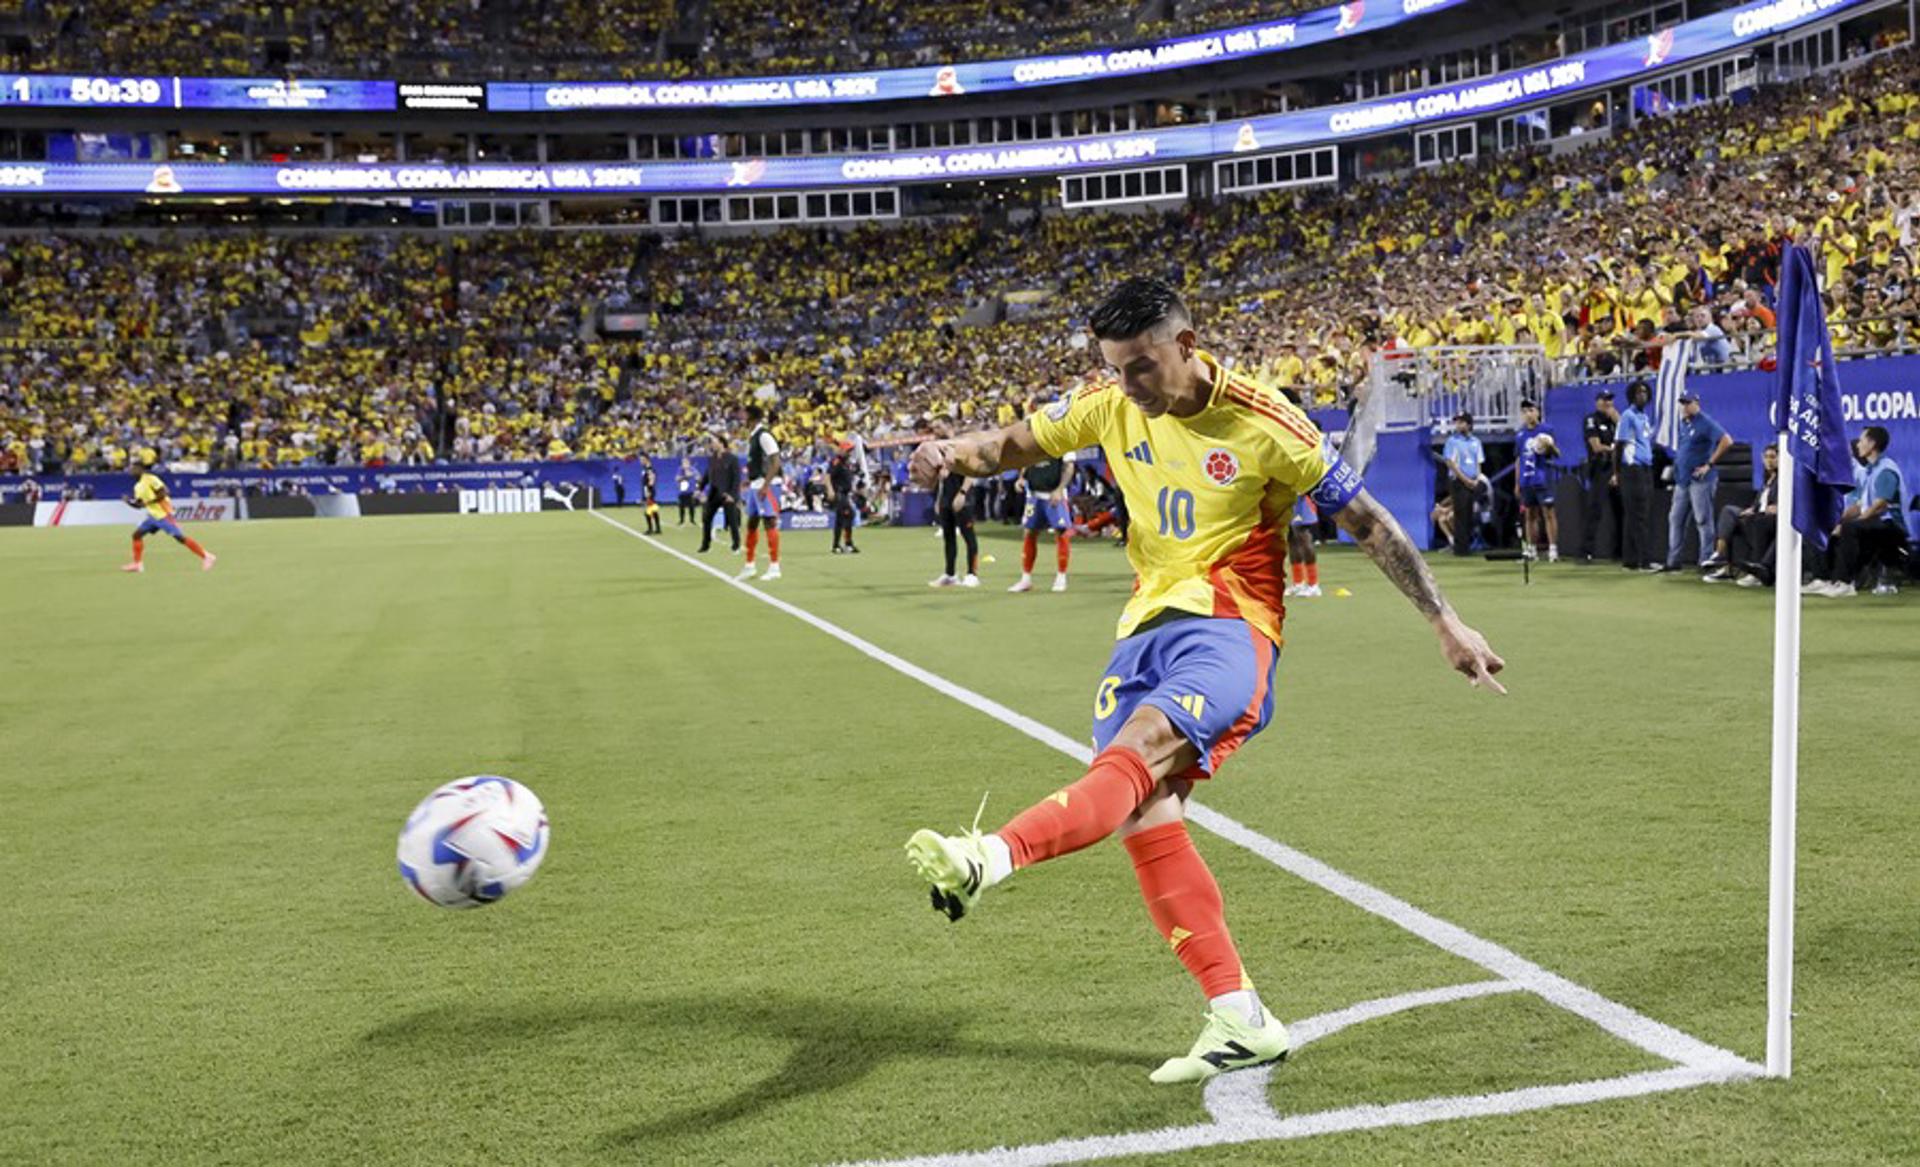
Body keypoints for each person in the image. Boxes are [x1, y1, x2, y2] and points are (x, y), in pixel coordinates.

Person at [901, 278, 1504, 1085]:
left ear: (1186, 345)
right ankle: (1238, 1015)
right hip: (1141, 631)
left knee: (1141, 751)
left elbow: (1364, 519)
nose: (1127, 385)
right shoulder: (1108, 406)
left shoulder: (1264, 420)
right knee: (1142, 810)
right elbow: (1011, 445)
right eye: (1115, 368)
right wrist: (951, 450)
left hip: (1229, 627)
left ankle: (989, 857)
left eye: (1141, 366)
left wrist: (1445, 620)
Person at [1807, 426, 1908, 598]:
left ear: (1872, 444)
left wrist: (1855, 522)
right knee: (1829, 526)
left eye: (1862, 441)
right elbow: (1860, 504)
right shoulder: (1871, 470)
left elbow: (1880, 505)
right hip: (1877, 522)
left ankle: (1844, 583)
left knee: (1850, 528)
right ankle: (1824, 579)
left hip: (1891, 525)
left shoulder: (1886, 470)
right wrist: (1836, 521)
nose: (1858, 445)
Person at [1665, 390, 1734, 572]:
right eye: (1682, 403)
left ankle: (1705, 561)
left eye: (1688, 403)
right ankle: (1673, 561)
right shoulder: (1684, 423)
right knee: (1675, 519)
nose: (1685, 407)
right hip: (1683, 480)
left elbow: (1726, 440)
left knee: (1703, 520)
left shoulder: (1705, 422)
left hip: (1701, 480)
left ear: (1697, 403)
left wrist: (1709, 464)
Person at [1704, 444, 1779, 585]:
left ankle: (1756, 572)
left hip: (1769, 520)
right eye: (1766, 457)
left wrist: (1778, 508)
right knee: (1729, 512)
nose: (1769, 461)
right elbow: (1760, 502)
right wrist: (1753, 509)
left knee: (1757, 521)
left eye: (1773, 457)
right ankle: (1721, 557)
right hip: (1757, 515)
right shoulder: (1767, 479)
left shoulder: (1783, 480)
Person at [120, 464, 215, 573]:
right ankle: (137, 564)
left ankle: (207, 556)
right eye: (131, 469)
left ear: (141, 469)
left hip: (164, 514)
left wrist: (148, 502)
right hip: (153, 516)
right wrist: (129, 502)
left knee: (180, 537)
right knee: (137, 535)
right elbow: (140, 505)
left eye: (134, 469)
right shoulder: (137, 486)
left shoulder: (150, 479)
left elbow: (164, 492)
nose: (131, 471)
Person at [1009, 454, 1071, 593]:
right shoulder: (1034, 443)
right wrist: (1022, 478)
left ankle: (1061, 577)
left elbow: (1069, 466)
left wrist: (1059, 489)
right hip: (1034, 494)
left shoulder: (1062, 443)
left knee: (1061, 531)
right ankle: (1026, 579)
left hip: (1054, 494)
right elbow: (1027, 459)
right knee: (1029, 532)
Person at [1613, 379, 1657, 571]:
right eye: (1639, 392)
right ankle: (1644, 560)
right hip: (1632, 469)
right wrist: (1617, 472)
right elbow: (1619, 445)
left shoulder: (1644, 417)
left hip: (1646, 468)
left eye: (1645, 392)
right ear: (1632, 395)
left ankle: (1630, 560)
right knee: (1639, 515)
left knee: (1636, 515)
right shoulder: (1627, 416)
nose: (1642, 396)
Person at [739, 404, 783, 581]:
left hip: (767, 485)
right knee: (752, 522)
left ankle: (774, 566)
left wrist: (766, 485)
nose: (742, 418)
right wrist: (750, 480)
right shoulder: (753, 436)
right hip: (755, 484)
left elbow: (776, 462)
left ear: (752, 417)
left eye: (744, 415)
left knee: (769, 522)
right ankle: (749, 565)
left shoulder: (764, 435)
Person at [1514, 399, 1560, 562]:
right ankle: (1532, 550)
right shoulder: (1520, 435)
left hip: (1543, 478)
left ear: (1538, 412)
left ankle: (1553, 550)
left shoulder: (1547, 430)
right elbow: (1518, 459)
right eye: (1524, 411)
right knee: (1530, 515)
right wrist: (1517, 482)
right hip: (1527, 479)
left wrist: (1548, 446)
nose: (1528, 414)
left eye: (1531, 410)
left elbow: (1557, 454)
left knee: (1548, 513)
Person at [1581, 388, 1620, 563]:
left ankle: (1619, 551)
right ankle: (1587, 551)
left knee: (1620, 510)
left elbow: (1628, 438)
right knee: (1595, 509)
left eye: (1610, 400)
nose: (1607, 403)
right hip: (1600, 467)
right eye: (1604, 400)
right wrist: (1614, 449)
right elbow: (1596, 446)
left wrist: (1618, 420)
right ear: (1597, 402)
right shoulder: (1592, 420)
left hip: (1616, 468)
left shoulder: (1615, 421)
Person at [1442, 412, 1487, 555]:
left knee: (1469, 514)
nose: (1458, 425)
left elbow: (1478, 463)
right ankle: (1460, 549)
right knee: (1460, 514)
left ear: (1469, 424)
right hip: (1458, 481)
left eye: (1461, 422)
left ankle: (1467, 545)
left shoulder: (1476, 441)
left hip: (1472, 480)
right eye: (1457, 422)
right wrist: (1465, 480)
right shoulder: (1452, 441)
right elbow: (1451, 464)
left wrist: (1477, 479)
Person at [929, 465, 981, 588]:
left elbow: (971, 473)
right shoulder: (943, 456)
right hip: (946, 498)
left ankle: (972, 574)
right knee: (948, 537)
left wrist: (962, 493)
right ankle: (950, 574)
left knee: (968, 536)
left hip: (962, 497)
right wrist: (939, 499)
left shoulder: (964, 454)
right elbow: (942, 478)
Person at [697, 435, 741, 554]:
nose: (712, 444)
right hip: (714, 493)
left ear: (721, 443)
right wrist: (700, 488)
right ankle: (705, 545)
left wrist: (732, 495)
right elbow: (707, 475)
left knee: (732, 521)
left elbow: (736, 478)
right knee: (706, 518)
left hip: (727, 494)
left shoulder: (732, 459)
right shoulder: (712, 458)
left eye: (714, 442)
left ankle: (736, 545)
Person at [827, 441, 861, 554]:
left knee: (841, 518)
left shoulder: (846, 463)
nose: (850, 453)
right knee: (848, 515)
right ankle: (847, 544)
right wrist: (830, 490)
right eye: (848, 450)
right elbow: (827, 476)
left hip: (845, 493)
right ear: (842, 450)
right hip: (839, 493)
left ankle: (837, 545)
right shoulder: (837, 461)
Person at [1287, 495, 1320, 596]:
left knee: (1303, 536)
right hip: (1287, 501)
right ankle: (1298, 583)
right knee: (1292, 539)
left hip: (1301, 502)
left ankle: (1313, 585)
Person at [640, 459, 662, 535]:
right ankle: (657, 528)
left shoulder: (649, 470)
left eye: (642, 459)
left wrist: (648, 491)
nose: (641, 461)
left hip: (649, 491)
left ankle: (650, 529)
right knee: (653, 510)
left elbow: (651, 481)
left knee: (648, 510)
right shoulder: (645, 469)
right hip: (647, 490)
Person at [675, 462, 697, 526]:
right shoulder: (680, 469)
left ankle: (692, 520)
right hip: (682, 491)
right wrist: (684, 477)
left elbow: (692, 475)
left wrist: (687, 473)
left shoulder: (692, 469)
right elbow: (677, 478)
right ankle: (682, 520)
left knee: (692, 506)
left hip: (690, 491)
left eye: (686, 463)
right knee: (681, 506)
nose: (685, 465)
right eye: (684, 463)